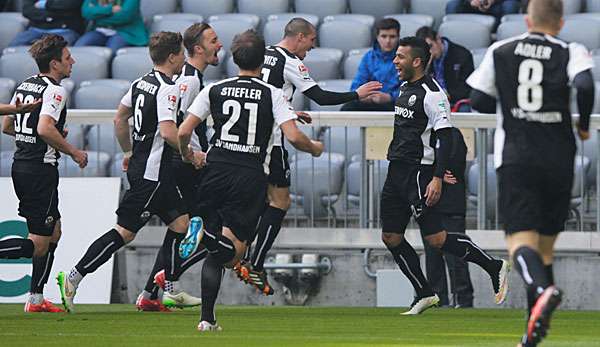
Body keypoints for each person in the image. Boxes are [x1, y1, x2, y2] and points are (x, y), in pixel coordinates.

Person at [466, 0, 595, 345]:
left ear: (527, 19)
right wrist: (583, 125)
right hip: (559, 158)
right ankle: (531, 334)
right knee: (545, 250)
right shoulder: (571, 49)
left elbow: (476, 98)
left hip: (517, 157)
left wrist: (513, 106)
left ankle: (541, 290)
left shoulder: (501, 49)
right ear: (561, 23)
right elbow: (584, 85)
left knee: (520, 244)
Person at [178, 29, 324, 332]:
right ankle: (204, 239)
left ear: (234, 58)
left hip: (214, 170)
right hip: (249, 176)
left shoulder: (215, 89)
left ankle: (207, 319)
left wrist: (189, 156)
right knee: (234, 254)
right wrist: (315, 148)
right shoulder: (272, 93)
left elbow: (183, 132)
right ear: (263, 60)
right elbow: (294, 137)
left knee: (218, 252)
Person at [232, 18, 381, 296]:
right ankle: (254, 261)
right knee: (278, 202)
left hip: (242, 141)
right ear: (300, 37)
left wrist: (288, 111)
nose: (313, 46)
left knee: (252, 204)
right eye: (312, 40)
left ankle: (229, 259)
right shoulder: (290, 61)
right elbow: (320, 96)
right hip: (270, 143)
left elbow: (261, 94)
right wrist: (356, 94)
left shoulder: (260, 53)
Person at [56, 31, 191, 313]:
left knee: (181, 225)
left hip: (150, 170)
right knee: (124, 233)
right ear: (172, 57)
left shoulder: (141, 82)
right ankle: (73, 277)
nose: (184, 58)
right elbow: (167, 132)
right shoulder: (168, 88)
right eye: (182, 53)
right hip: (152, 175)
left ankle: (171, 289)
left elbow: (120, 118)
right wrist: (191, 153)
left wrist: (128, 152)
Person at [380, 36, 510, 316]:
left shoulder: (434, 94)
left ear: (416, 61)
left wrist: (437, 176)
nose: (395, 61)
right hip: (396, 172)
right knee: (391, 236)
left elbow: (446, 138)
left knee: (437, 239)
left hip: (418, 172)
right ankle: (425, 293)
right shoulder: (405, 87)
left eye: (400, 57)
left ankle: (493, 266)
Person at [137, 23, 223, 310]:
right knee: (210, 229)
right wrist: (193, 156)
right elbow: (177, 127)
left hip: (187, 163)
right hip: (187, 165)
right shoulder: (188, 82)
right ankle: (168, 281)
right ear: (197, 48)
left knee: (183, 229)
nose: (219, 44)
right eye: (214, 40)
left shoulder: (191, 78)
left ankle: (154, 291)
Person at [0, 34, 88, 312]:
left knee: (54, 232)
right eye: (67, 58)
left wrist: (47, 137)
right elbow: (44, 128)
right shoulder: (55, 90)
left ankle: (36, 299)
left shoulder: (26, 84)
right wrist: (73, 151)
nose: (72, 61)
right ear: (54, 63)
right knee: (37, 243)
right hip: (39, 170)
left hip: (23, 165)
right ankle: (35, 299)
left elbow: (7, 127)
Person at [421, 127, 474, 308]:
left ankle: (464, 301)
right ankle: (438, 301)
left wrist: (434, 171)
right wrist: (438, 173)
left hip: (451, 203)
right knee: (432, 258)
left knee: (456, 256)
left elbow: (455, 165)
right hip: (428, 204)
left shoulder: (453, 134)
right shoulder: (422, 134)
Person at [341, 18, 402, 112]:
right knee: (348, 107)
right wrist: (363, 96)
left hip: (394, 104)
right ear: (377, 37)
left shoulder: (405, 58)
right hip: (369, 103)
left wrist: (390, 97)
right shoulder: (368, 57)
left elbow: (409, 89)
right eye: (384, 36)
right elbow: (356, 86)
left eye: (392, 36)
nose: (388, 41)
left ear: (398, 37)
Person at [415, 26, 474, 112]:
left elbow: (467, 87)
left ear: (438, 39)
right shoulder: (422, 58)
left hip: (455, 101)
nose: (429, 52)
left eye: (430, 46)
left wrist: (447, 95)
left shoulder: (462, 55)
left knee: (464, 109)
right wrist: (424, 68)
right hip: (432, 101)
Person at [76, 0, 149, 56]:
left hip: (125, 31)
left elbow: (124, 17)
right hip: (100, 31)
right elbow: (86, 12)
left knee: (111, 52)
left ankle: (107, 75)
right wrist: (110, 9)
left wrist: (97, 17)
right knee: (79, 47)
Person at [9, 0, 85, 46]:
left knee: (57, 53)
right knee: (12, 48)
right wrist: (50, 16)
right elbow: (27, 10)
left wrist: (45, 4)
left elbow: (69, 4)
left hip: (65, 30)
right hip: (35, 29)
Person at [446, 0, 522, 24]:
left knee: (510, 6)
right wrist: (471, 1)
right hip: (470, 5)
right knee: (452, 5)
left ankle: (501, 35)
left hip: (497, 5)